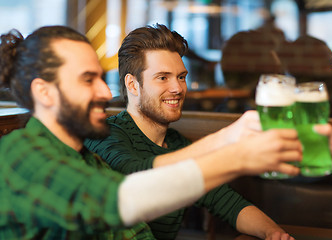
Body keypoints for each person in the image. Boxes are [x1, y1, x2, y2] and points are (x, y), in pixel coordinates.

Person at [0, 25, 302, 240]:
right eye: (87, 79)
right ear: (44, 92)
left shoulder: (80, 157)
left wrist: (273, 233)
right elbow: (125, 195)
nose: (105, 91)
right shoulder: (21, 153)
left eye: (181, 77)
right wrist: (234, 150)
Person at [85, 24, 297, 240]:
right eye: (163, 77)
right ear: (133, 84)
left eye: (181, 77)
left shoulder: (179, 144)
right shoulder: (105, 133)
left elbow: (229, 203)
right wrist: (226, 140)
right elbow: (135, 176)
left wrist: (275, 234)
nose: (177, 88)